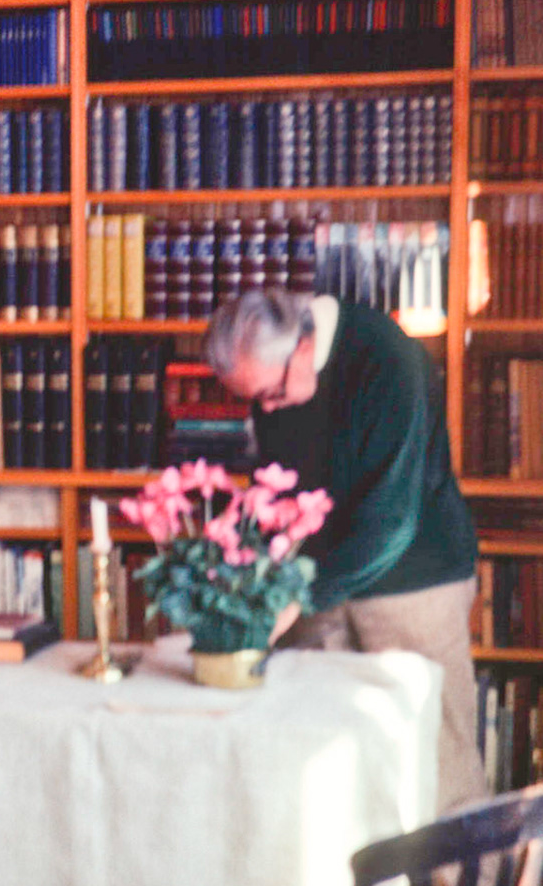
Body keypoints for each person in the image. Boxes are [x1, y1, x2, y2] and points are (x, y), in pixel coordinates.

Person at [206, 288, 487, 814]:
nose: (266, 410)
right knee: (323, 777)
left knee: (440, 775)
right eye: (254, 400)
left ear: (303, 347)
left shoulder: (389, 361)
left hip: (413, 588)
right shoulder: (277, 379)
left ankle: (473, 874)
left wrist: (296, 596)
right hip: (318, 585)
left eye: (271, 394)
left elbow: (392, 523)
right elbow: (284, 494)